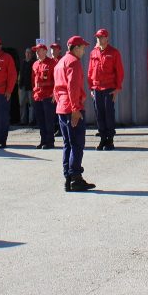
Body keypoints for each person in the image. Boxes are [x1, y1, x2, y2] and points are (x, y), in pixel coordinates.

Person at [54, 36, 95, 192]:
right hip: (71, 107)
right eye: (83, 48)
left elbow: (57, 89)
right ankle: (75, 178)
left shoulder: (60, 62)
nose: (84, 50)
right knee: (77, 144)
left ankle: (68, 178)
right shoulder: (73, 62)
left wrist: (64, 105)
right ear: (76, 48)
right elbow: (73, 87)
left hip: (62, 107)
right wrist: (75, 109)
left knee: (67, 144)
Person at [88, 28, 124, 151]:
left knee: (108, 114)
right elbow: (90, 70)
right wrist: (90, 88)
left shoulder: (114, 52)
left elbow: (119, 71)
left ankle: (110, 140)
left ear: (107, 38)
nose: (99, 39)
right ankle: (103, 138)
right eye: (98, 37)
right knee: (99, 114)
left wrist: (117, 88)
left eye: (101, 37)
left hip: (109, 88)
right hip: (96, 87)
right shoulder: (93, 53)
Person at [31, 44, 57, 149]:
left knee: (49, 120)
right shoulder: (35, 64)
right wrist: (34, 93)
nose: (37, 52)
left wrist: (55, 93)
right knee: (41, 120)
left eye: (39, 50)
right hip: (38, 96)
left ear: (45, 51)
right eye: (36, 51)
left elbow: (57, 79)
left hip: (48, 95)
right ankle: (43, 140)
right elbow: (33, 81)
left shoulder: (52, 63)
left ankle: (50, 141)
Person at [19, 48, 35, 126]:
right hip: (22, 86)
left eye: (29, 53)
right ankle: (23, 121)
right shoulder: (22, 62)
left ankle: (31, 121)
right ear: (25, 53)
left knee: (31, 104)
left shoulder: (33, 63)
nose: (28, 54)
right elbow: (19, 74)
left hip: (30, 87)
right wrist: (19, 85)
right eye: (26, 52)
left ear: (32, 54)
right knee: (22, 104)